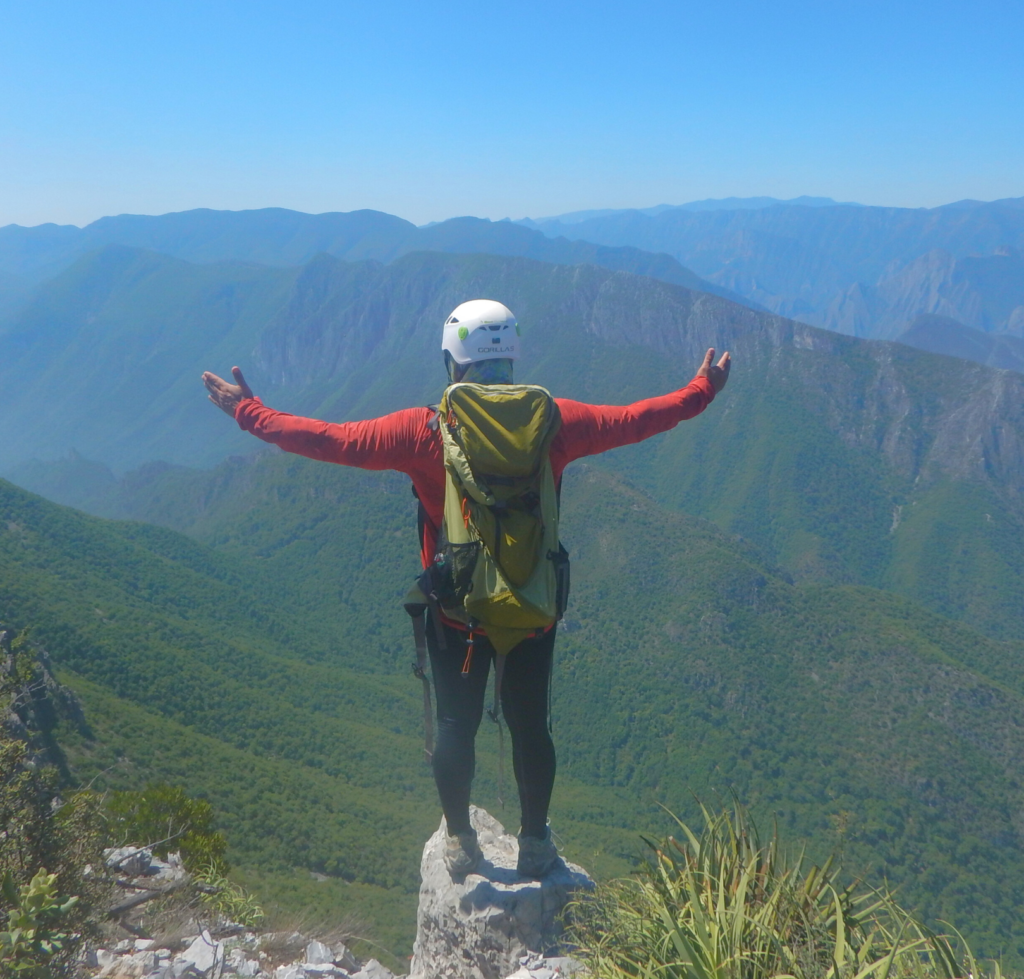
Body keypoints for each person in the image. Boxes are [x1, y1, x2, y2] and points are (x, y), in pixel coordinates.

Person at [202, 299, 730, 878]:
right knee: (530, 724)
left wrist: (249, 412)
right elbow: (639, 419)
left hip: (458, 611)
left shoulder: (424, 430)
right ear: (512, 357)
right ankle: (534, 845)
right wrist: (701, 389)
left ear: (452, 360)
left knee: (457, 725)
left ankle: (459, 841)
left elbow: (332, 439)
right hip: (533, 607)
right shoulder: (557, 422)